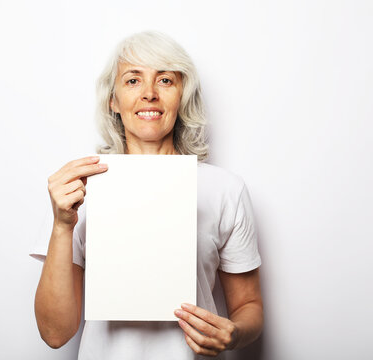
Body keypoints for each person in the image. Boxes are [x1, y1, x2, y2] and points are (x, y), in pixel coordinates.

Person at [30, 30, 263, 359]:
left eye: (166, 80)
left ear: (182, 96)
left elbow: (248, 306)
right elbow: (55, 333)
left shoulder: (225, 189)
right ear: (113, 100)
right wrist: (61, 225)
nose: (150, 94)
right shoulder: (78, 189)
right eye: (133, 80)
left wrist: (234, 333)